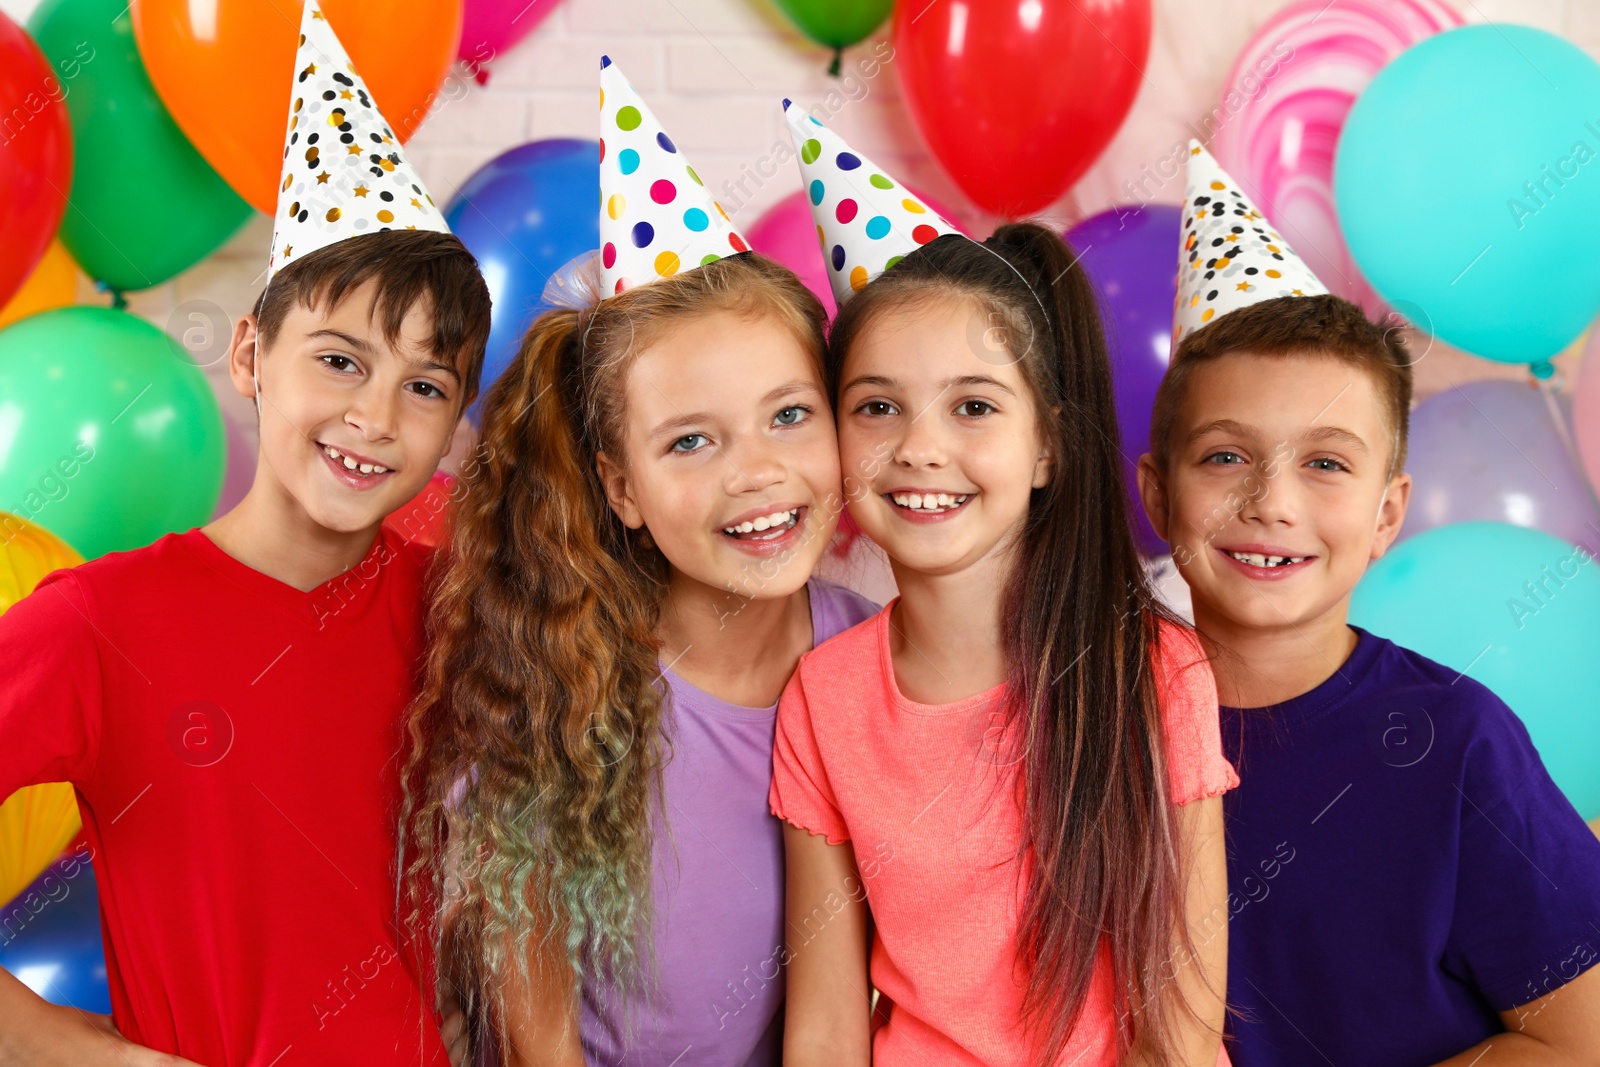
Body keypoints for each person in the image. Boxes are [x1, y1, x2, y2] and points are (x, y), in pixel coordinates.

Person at [0, 5, 491, 1064]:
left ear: (455, 419)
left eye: (425, 384)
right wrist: (62, 1045)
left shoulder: (461, 610)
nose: (374, 417)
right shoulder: (99, 623)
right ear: (249, 354)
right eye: (339, 359)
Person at [398, 59, 875, 1067]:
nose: (757, 473)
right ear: (621, 488)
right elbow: (540, 1051)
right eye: (690, 442)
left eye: (788, 415)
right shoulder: (563, 700)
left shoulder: (876, 660)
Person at [771, 104, 1235, 1067]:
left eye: (973, 406)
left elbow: (1182, 1031)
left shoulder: (1153, 671)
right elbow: (823, 1026)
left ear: (1047, 448)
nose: (920, 448)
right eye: (877, 406)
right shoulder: (824, 696)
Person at [1136, 142, 1600, 1066]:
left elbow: (1576, 1039)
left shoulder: (1458, 738)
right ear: (1156, 494)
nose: (1272, 501)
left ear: (1389, 513)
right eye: (1226, 455)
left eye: (1326, 463)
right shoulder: (1096, 725)